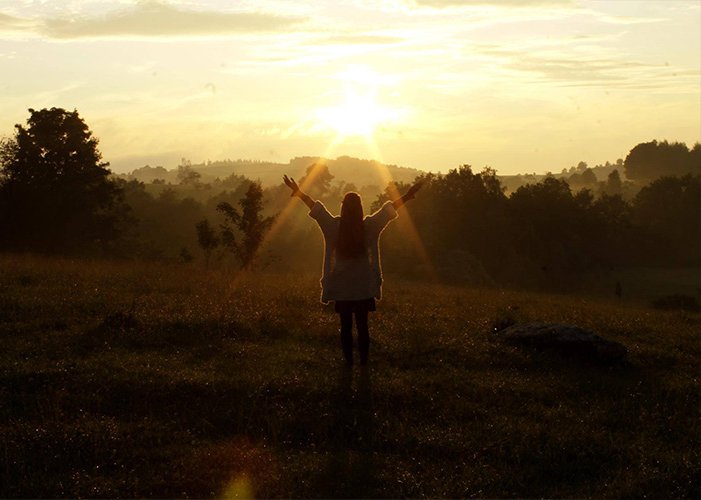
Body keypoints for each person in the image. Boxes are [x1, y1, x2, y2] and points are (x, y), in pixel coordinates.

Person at [283, 174, 422, 366]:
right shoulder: (370, 226)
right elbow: (388, 210)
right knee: (363, 326)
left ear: (343, 207)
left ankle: (349, 363)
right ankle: (363, 363)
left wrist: (298, 192)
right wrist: (407, 196)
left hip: (342, 286)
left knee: (346, 326)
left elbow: (316, 209)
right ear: (360, 208)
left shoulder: (333, 227)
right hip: (363, 285)